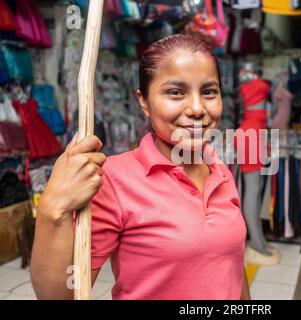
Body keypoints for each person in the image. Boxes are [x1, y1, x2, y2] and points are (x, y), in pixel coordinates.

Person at [30, 34, 250, 300]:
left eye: (208, 92)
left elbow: (233, 269)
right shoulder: (112, 180)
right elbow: (59, 296)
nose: (196, 108)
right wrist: (54, 209)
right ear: (144, 101)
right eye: (175, 92)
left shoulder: (221, 171)